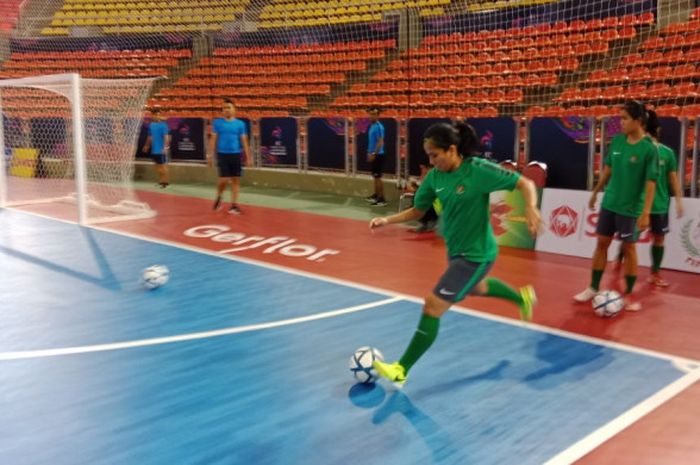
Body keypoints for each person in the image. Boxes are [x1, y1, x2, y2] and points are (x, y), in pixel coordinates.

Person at [369, 121, 542, 386]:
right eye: (428, 155)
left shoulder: (478, 171)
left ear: (452, 150)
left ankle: (401, 369)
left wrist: (531, 208)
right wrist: (387, 220)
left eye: (435, 155)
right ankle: (521, 298)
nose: (431, 161)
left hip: (477, 254)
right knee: (478, 288)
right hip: (456, 250)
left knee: (432, 306)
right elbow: (417, 211)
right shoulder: (435, 178)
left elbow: (526, 184)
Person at [574, 101, 658, 311]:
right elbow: (608, 170)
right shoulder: (618, 142)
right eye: (620, 118)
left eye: (625, 118)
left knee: (629, 249)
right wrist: (595, 192)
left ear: (638, 121)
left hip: (630, 209)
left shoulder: (649, 149)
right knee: (601, 244)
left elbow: (651, 183)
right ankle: (593, 287)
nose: (621, 123)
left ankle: (628, 295)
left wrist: (646, 212)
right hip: (610, 203)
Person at [615, 110, 684, 286]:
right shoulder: (636, 148)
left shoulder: (667, 153)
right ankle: (619, 261)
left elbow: (673, 178)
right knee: (629, 239)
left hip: (659, 204)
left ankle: (655, 273)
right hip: (637, 204)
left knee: (659, 238)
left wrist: (678, 200)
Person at [208, 99, 250, 214]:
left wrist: (248, 156)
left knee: (236, 181)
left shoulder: (240, 124)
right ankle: (219, 197)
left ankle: (234, 205)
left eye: (228, 107)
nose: (226, 110)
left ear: (234, 109)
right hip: (222, 155)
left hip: (236, 155)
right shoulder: (217, 123)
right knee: (224, 180)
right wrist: (210, 155)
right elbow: (213, 139)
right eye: (224, 108)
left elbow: (244, 140)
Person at [364, 107, 387, 207]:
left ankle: (381, 199)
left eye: (374, 114)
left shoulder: (379, 127)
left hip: (378, 155)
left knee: (378, 177)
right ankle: (376, 195)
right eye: (370, 114)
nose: (371, 116)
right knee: (375, 176)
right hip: (372, 153)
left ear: (378, 115)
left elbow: (380, 142)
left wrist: (373, 154)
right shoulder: (372, 126)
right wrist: (369, 152)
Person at [142, 109, 170, 188]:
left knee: (163, 167)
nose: (157, 116)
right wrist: (146, 146)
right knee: (158, 167)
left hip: (161, 150)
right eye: (155, 115)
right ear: (153, 115)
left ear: (160, 115)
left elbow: (166, 137)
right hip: (154, 150)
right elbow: (150, 137)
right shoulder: (151, 125)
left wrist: (165, 147)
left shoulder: (164, 125)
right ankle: (161, 181)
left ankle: (165, 182)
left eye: (158, 115)